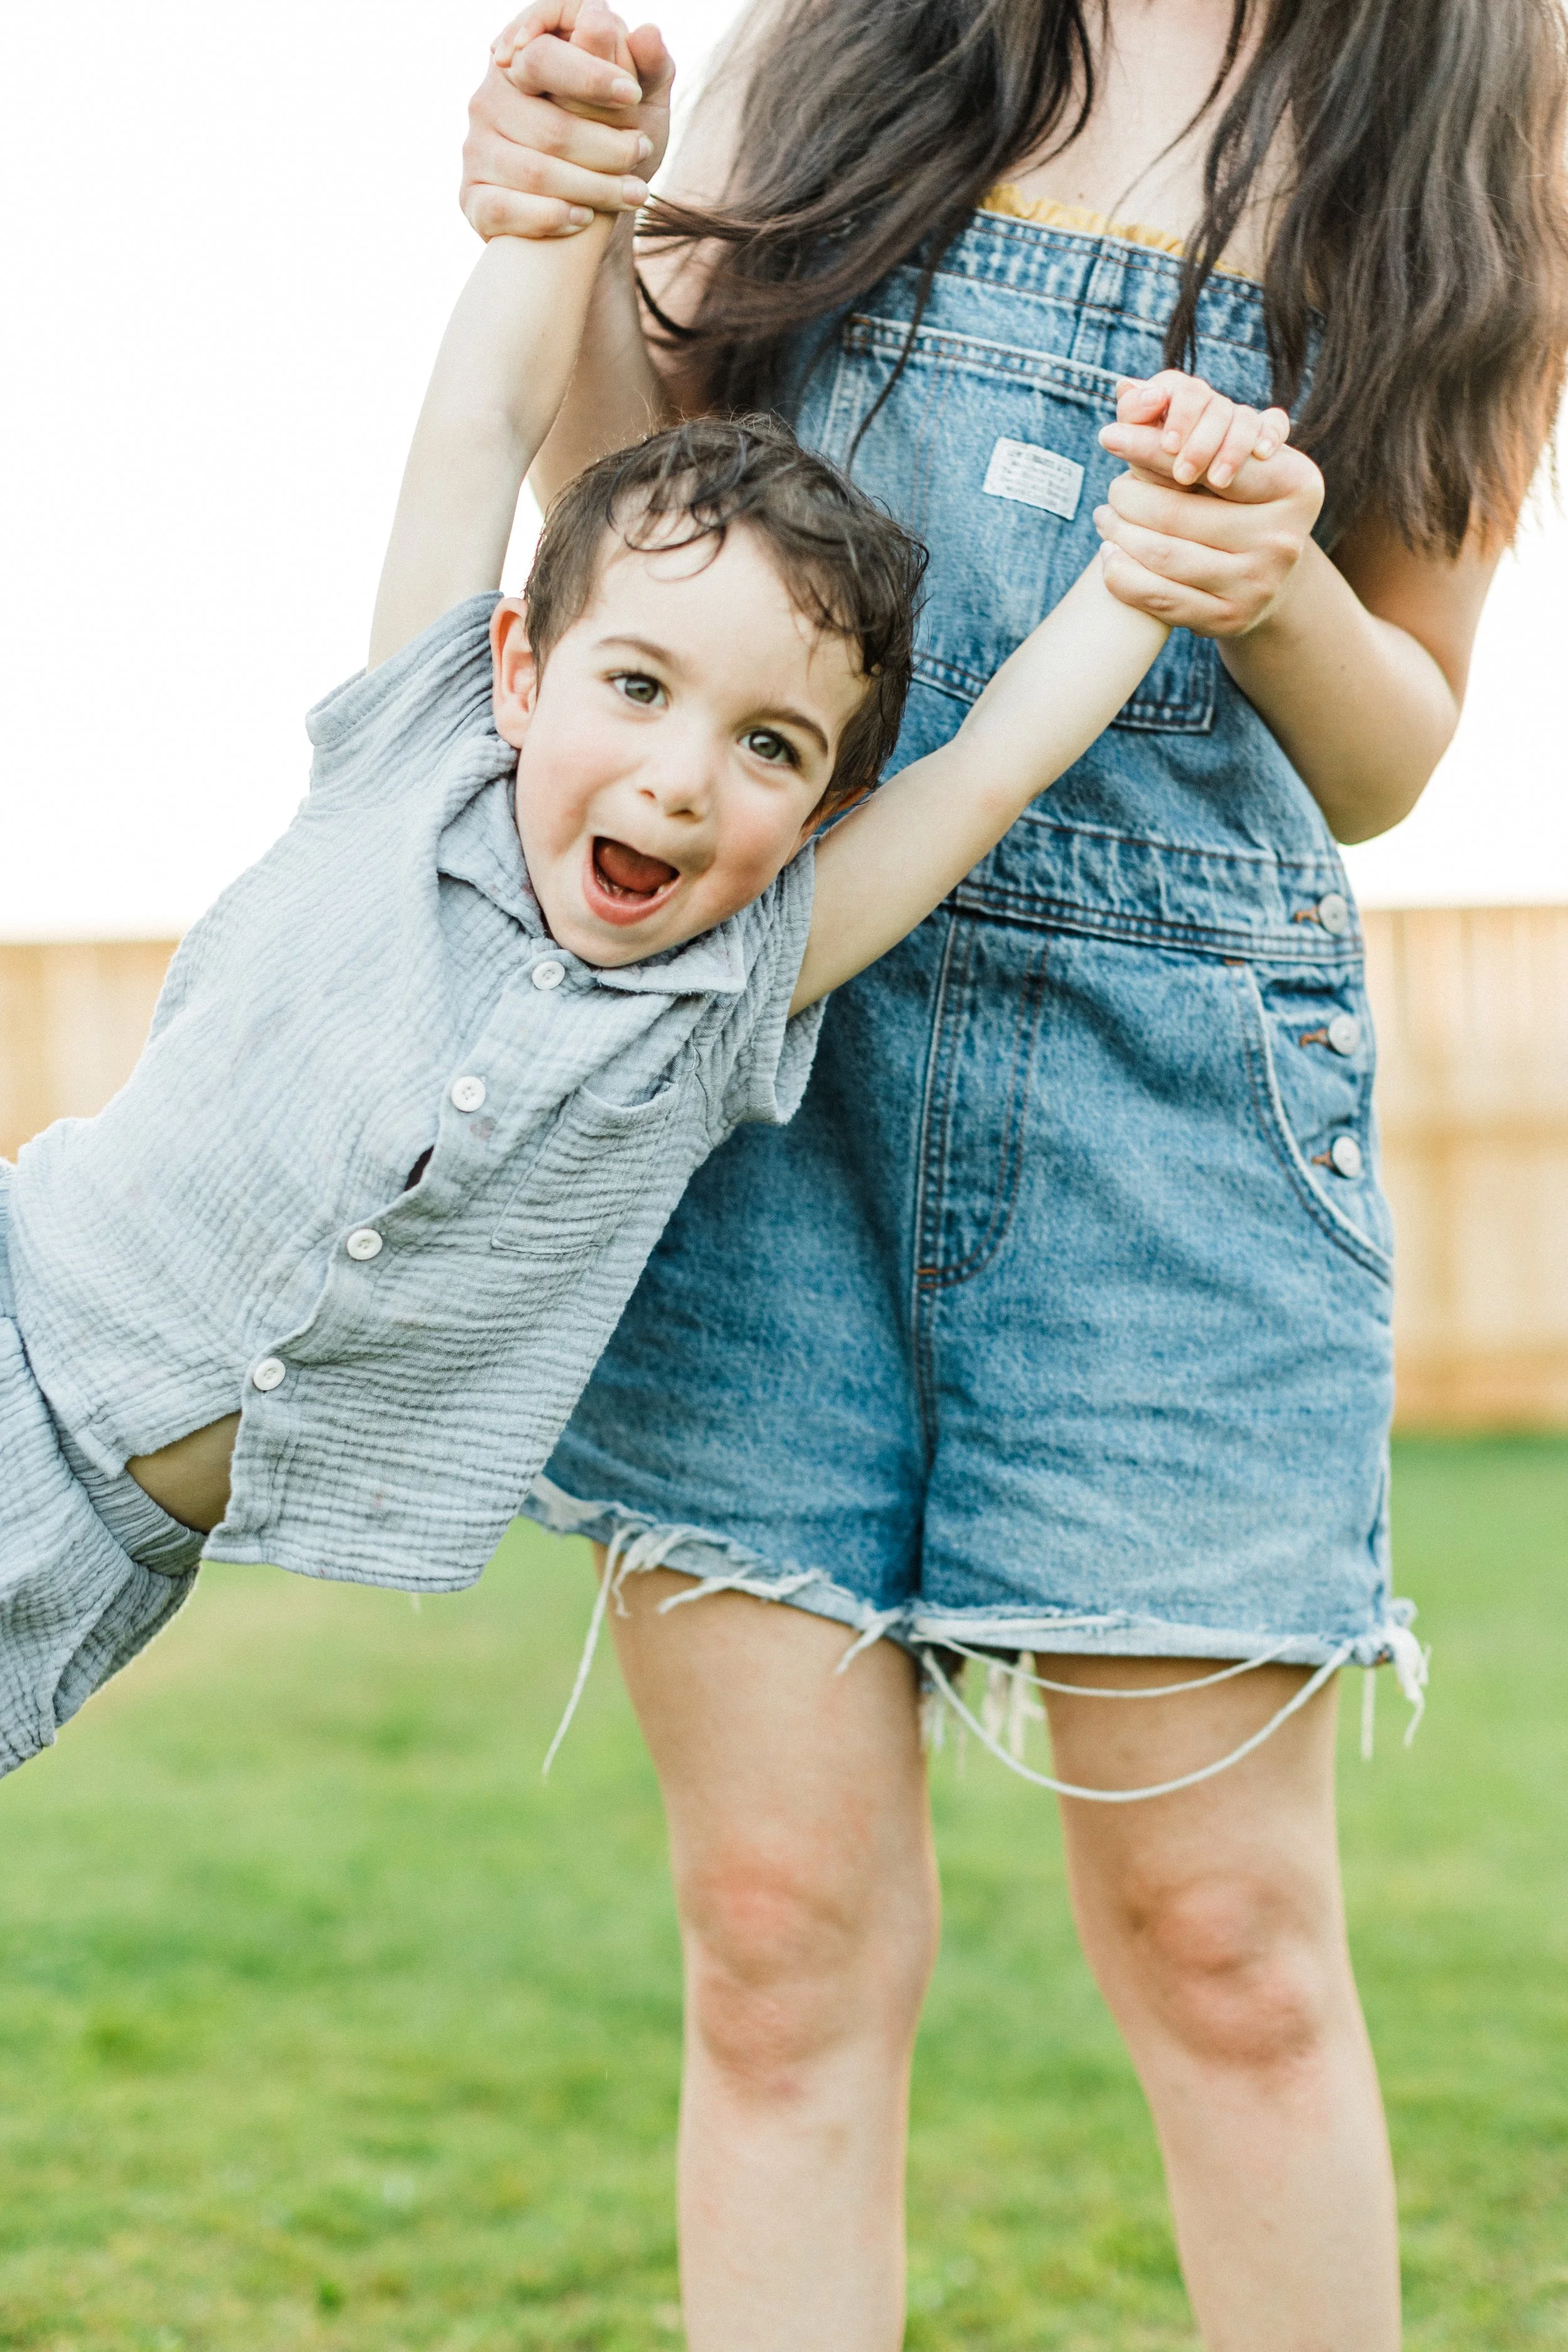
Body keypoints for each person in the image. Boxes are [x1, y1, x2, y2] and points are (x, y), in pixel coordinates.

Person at [460, 1, 1568, 2344]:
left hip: (1177, 1110)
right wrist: (562, 235)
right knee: (775, 1938)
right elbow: (643, 529)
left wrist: (1268, 578)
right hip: (760, 1070)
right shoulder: (846, 35)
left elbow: (1391, 752)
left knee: (1229, 1951)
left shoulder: (1484, 91)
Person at [0, 9, 1296, 1783]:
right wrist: (577, 185)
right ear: (524, 669)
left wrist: (1149, 557)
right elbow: (477, 427)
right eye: (637, 688)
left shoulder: (727, 997)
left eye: (769, 745)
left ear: (824, 802)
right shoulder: (417, 770)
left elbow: (984, 767)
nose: (686, 774)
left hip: (111, 1556)